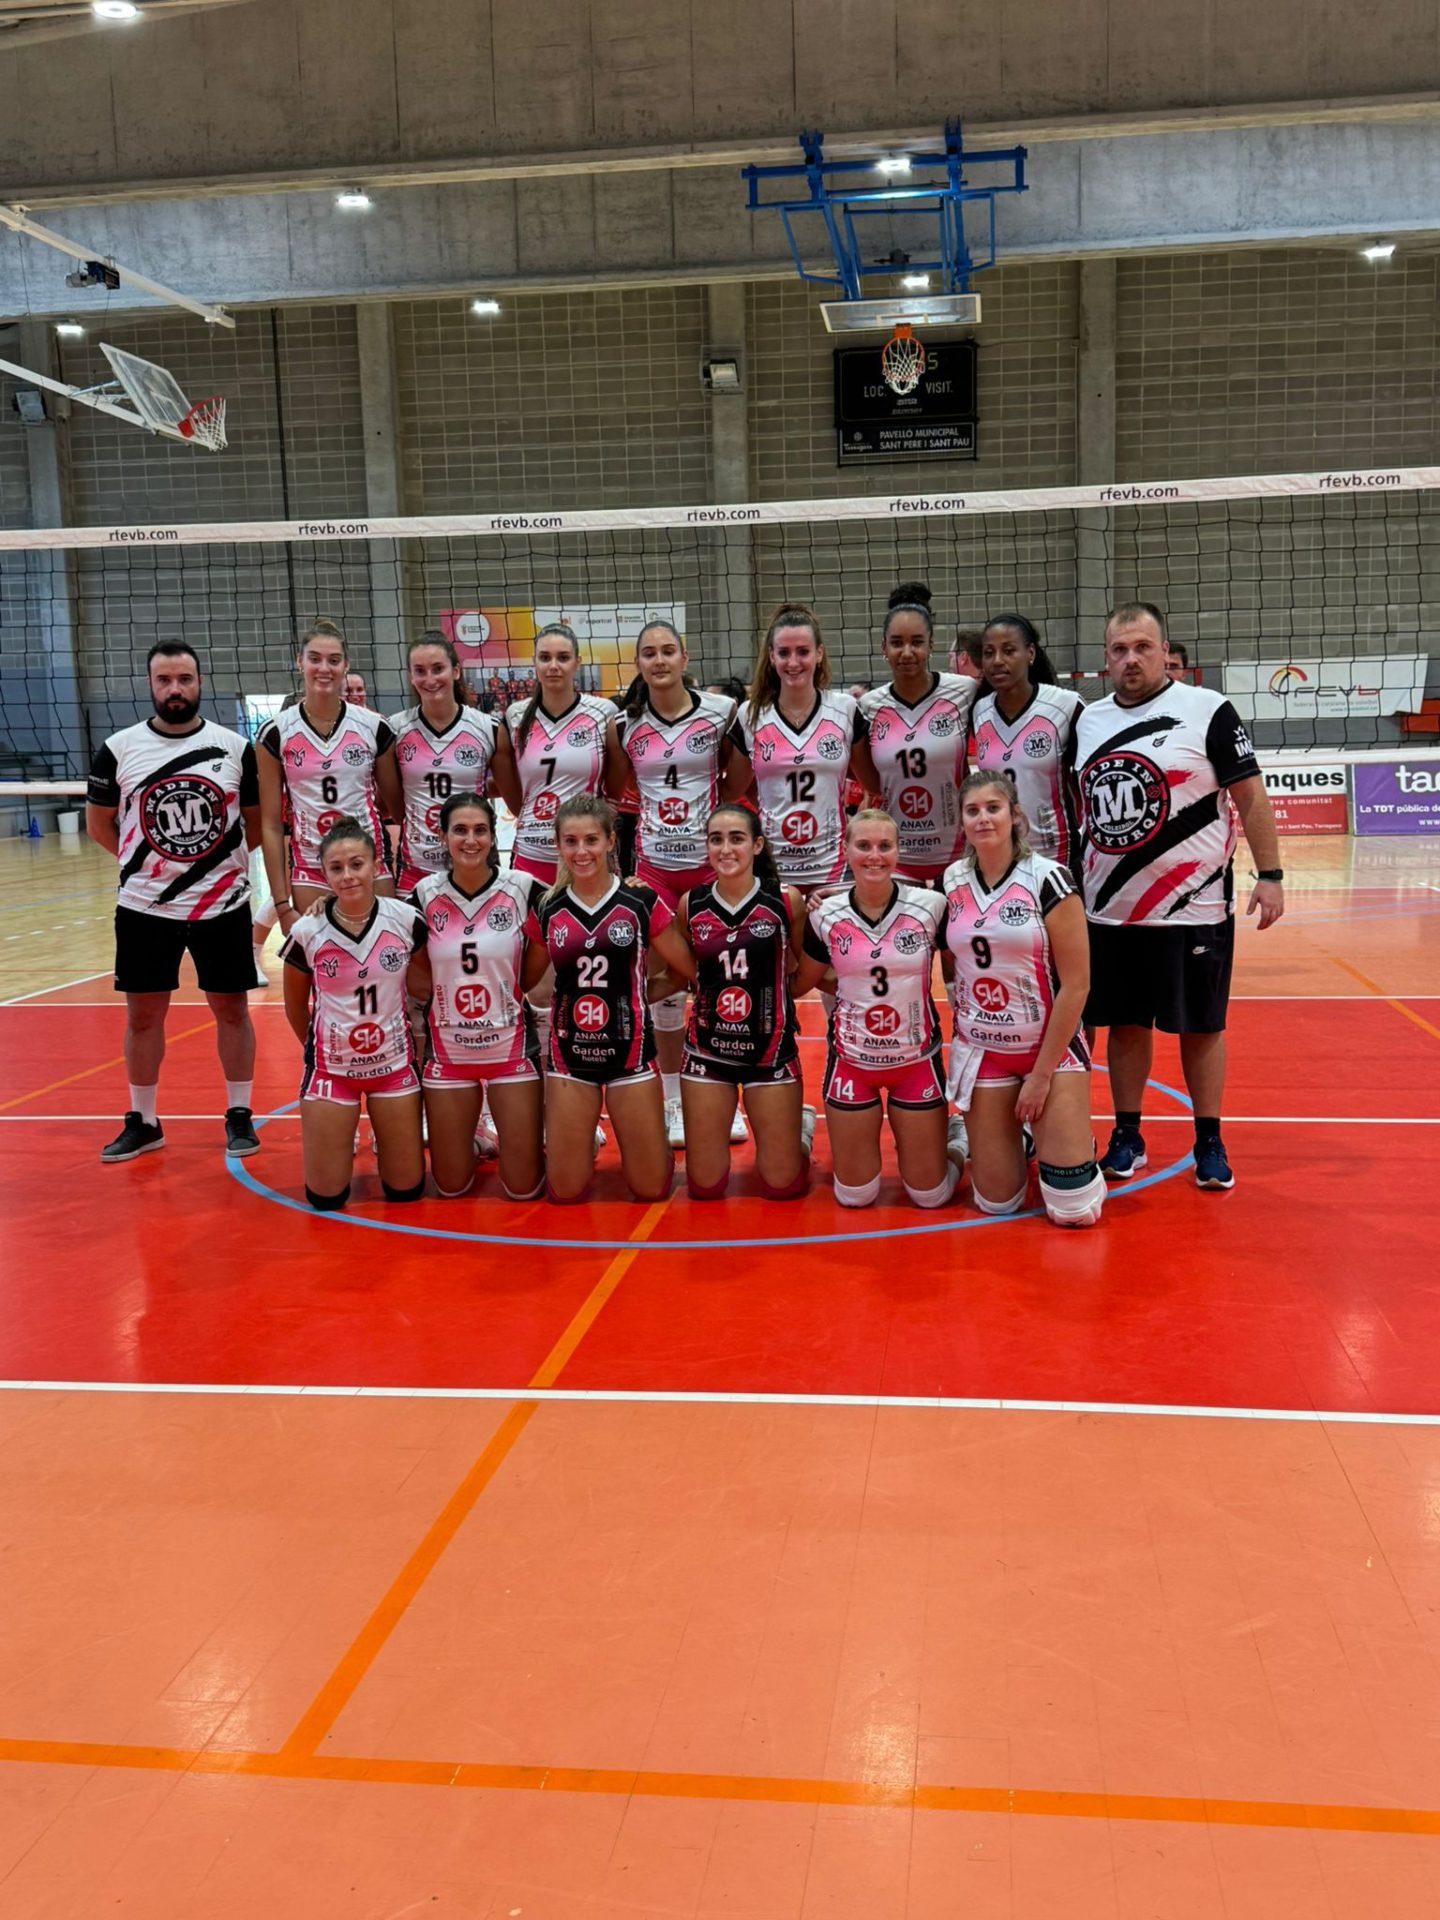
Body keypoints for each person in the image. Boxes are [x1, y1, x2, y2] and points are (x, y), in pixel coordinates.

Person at [1077, 601, 1285, 1191]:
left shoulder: (1207, 709)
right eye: (1119, 650)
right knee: (1124, 1026)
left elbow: (1250, 796)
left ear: (1165, 652)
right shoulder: (1088, 721)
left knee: (1201, 1028)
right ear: (1105, 659)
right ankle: (1127, 1134)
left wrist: (1270, 874)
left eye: (1143, 647)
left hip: (1194, 907)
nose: (1131, 659)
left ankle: (1209, 1139)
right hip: (1109, 911)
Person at [85, 641, 263, 1163]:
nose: (175, 689)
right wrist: (149, 868)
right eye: (164, 680)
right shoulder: (119, 748)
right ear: (150, 685)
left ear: (199, 682)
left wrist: (211, 870)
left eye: (184, 678)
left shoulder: (235, 747)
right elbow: (99, 825)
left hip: (222, 905)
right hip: (145, 908)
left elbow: (256, 825)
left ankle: (239, 1113)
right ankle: (144, 1121)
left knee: (232, 1011)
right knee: (143, 1018)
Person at [613, 618, 752, 1147]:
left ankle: (727, 1094)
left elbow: (735, 783)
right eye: (649, 653)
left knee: (724, 980)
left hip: (711, 869)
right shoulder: (625, 726)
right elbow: (619, 788)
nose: (659, 660)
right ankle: (673, 1098)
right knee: (666, 989)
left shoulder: (721, 712)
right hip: (653, 872)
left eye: (668, 650)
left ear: (685, 657)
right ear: (639, 663)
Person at [943, 772, 1103, 1227]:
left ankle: (1070, 1137)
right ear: (962, 822)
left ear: (1014, 815)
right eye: (972, 811)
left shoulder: (1050, 879)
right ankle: (1024, 1140)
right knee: (996, 1202)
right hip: (985, 1052)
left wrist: (1040, 1076)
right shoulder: (951, 880)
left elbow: (1077, 985)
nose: (983, 818)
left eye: (993, 808)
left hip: (1046, 1051)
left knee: (1074, 1211)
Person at [521, 794, 695, 1203]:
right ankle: (581, 1138)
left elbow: (686, 970)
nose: (581, 852)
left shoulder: (640, 901)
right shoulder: (547, 907)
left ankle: (648, 1141)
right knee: (565, 1191)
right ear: (558, 844)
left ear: (610, 841)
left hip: (630, 1056)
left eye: (591, 840)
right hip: (571, 1057)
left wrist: (637, 995)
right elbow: (527, 980)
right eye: (570, 841)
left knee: (650, 1189)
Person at [793, 809, 958, 1210]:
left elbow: (966, 960)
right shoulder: (824, 914)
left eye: (885, 846)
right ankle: (800, 1129)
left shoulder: (932, 906)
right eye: (864, 845)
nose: (874, 855)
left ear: (898, 851)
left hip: (916, 1061)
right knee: (855, 1196)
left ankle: (959, 1141)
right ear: (846, 850)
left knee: (930, 1196)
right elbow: (802, 982)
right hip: (852, 1062)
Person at [280, 817, 427, 1210]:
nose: (347, 876)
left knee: (406, 1190)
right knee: (325, 1197)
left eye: (356, 864)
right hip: (332, 1072)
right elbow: (294, 1004)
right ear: (324, 874)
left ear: (376, 866)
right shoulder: (308, 930)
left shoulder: (406, 919)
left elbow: (427, 983)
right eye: (336, 868)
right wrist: (318, 1052)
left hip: (393, 1068)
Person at [670, 803, 812, 1201]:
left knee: (782, 1184)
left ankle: (799, 1131)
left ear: (757, 845)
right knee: (705, 1186)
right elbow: (682, 976)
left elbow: (803, 971)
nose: (726, 849)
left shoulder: (786, 901)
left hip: (770, 1053)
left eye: (737, 839)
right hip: (707, 1051)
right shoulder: (690, 904)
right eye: (716, 839)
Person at [409, 794, 544, 1202]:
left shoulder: (522, 887)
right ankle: (476, 1135)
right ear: (443, 836)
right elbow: (398, 950)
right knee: (451, 1187)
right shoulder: (423, 895)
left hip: (511, 1050)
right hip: (449, 1055)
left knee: (523, 1188)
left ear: (493, 835)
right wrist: (325, 905)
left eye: (480, 830)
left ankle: (557, 1131)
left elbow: (578, 901)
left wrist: (628, 884)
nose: (471, 840)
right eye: (460, 831)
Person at [257, 619, 403, 949]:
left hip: (369, 860)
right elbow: (270, 824)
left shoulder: (374, 727)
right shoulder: (275, 732)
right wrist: (281, 905)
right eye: (315, 659)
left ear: (346, 665)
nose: (324, 668)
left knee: (382, 957)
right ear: (300, 662)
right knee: (322, 965)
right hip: (311, 864)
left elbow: (397, 808)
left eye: (334, 660)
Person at [738, 602, 880, 897]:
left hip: (833, 866)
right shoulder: (750, 714)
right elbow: (733, 788)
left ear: (819, 653)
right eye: (784, 653)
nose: (793, 662)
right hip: (772, 867)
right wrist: (768, 800)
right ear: (771, 656)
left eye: (803, 651)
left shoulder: (844, 709)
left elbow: (873, 783)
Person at [860, 582, 976, 885]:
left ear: (931, 645)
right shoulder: (868, 706)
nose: (907, 652)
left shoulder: (964, 692)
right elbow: (869, 783)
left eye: (917, 642)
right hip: (894, 856)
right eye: (897, 643)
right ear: (883, 647)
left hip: (958, 853)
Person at [492, 623, 625, 886]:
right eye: (545, 658)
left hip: (587, 853)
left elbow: (615, 785)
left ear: (577, 663)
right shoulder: (516, 715)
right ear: (535, 662)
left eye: (563, 658)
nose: (553, 666)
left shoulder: (604, 712)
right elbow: (513, 794)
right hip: (531, 853)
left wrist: (599, 822)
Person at [387, 631, 513, 893]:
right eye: (420, 671)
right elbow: (393, 802)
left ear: (455, 671)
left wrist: (474, 791)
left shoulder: (488, 728)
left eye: (438, 669)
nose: (430, 679)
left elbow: (511, 794)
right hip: (416, 867)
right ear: (411, 676)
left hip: (475, 865)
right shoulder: (395, 729)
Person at [967, 615, 1083, 870]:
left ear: (1030, 653)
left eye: (1009, 651)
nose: (998, 661)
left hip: (1057, 856)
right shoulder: (979, 711)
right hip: (1001, 857)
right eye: (989, 653)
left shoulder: (1066, 705)